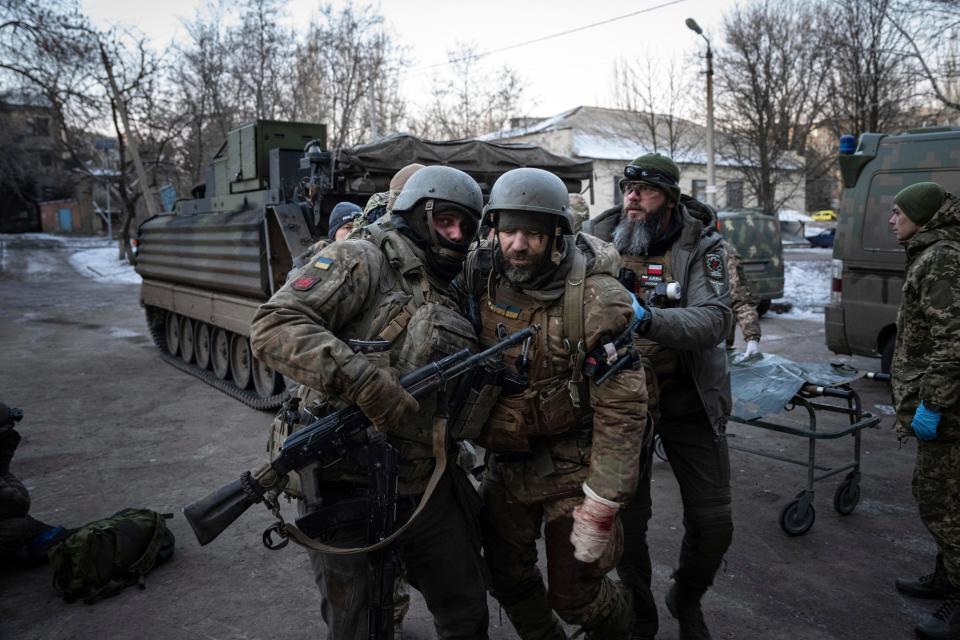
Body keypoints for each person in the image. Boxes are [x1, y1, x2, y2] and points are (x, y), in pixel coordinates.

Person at [250, 165, 490, 640]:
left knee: (466, 610)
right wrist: (363, 382)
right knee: (359, 625)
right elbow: (273, 326)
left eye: (465, 226)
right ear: (414, 215)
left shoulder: (456, 286)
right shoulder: (361, 259)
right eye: (444, 221)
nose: (456, 235)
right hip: (347, 481)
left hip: (426, 480)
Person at [459, 167, 648, 638]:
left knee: (575, 594)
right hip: (507, 463)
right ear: (493, 230)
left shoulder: (597, 299)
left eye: (533, 234)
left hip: (573, 471)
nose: (518, 246)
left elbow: (622, 409)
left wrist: (602, 502)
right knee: (506, 577)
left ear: (557, 235)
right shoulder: (479, 277)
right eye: (508, 232)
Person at [582, 154, 734, 640]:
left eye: (644, 191)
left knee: (714, 524)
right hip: (625, 403)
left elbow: (714, 320)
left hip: (688, 398)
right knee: (630, 520)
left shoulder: (701, 245)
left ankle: (686, 598)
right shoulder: (598, 238)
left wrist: (647, 318)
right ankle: (641, 617)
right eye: (628, 188)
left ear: (668, 198)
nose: (632, 197)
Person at [888, 181, 960, 640]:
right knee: (942, 499)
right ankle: (945, 576)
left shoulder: (942, 258)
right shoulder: (929, 251)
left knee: (945, 506)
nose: (892, 220)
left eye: (898, 212)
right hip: (941, 405)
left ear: (921, 216)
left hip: (949, 410)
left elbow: (953, 343)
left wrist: (933, 404)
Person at [682, 197, 761, 358]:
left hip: (713, 342)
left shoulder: (722, 251)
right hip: (674, 338)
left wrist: (752, 337)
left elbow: (739, 297)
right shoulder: (674, 248)